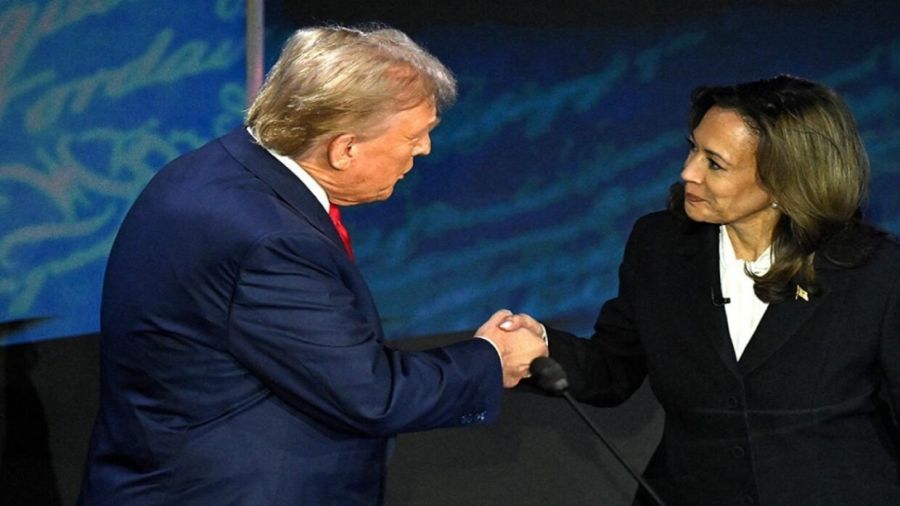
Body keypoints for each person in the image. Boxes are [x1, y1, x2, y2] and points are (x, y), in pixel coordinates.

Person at [78, 25, 547, 505]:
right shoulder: (271, 240)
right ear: (344, 149)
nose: (424, 149)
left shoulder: (216, 170)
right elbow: (371, 395)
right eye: (415, 135)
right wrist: (492, 359)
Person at [503, 75, 900, 504]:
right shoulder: (660, 245)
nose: (688, 172)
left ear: (785, 179)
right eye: (693, 148)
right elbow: (613, 369)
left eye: (715, 163)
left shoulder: (875, 271)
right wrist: (542, 348)